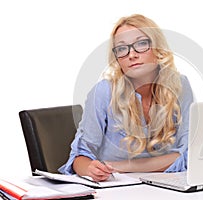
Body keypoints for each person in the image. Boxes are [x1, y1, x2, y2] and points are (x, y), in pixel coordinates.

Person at [59, 14, 194, 182]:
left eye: (141, 44)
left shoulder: (179, 85)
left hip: (166, 187)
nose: (132, 54)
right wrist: (91, 169)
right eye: (122, 48)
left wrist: (121, 166)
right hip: (115, 189)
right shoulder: (103, 92)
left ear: (158, 48)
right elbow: (79, 158)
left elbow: (190, 152)